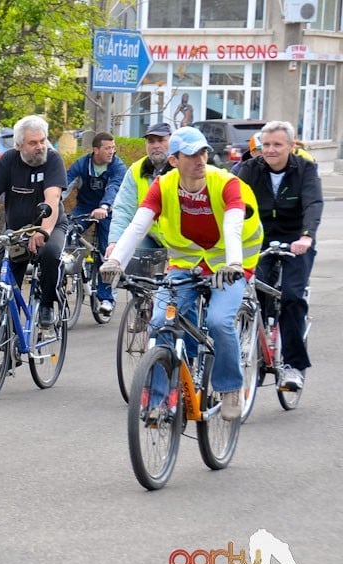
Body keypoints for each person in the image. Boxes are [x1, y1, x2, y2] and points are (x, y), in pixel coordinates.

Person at [99, 127, 263, 421]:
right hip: (186, 264)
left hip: (230, 265)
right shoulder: (163, 185)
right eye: (191, 155)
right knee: (161, 322)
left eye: (203, 152)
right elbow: (138, 225)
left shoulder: (225, 182)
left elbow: (234, 224)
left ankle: (230, 388)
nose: (200, 160)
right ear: (174, 160)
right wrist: (116, 262)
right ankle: (159, 401)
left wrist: (235, 264)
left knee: (218, 321)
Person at [237, 120, 322, 390]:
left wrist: (306, 236)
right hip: (258, 238)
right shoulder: (250, 169)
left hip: (295, 240)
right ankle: (256, 351)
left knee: (292, 298)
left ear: (291, 146)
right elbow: (231, 199)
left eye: (277, 145)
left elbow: (313, 202)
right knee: (250, 292)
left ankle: (293, 365)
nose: (270, 150)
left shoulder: (305, 170)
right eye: (266, 145)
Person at [0, 115, 67, 328]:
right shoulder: (8, 161)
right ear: (19, 145)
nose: (40, 146)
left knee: (50, 254)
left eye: (42, 141)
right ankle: (5, 336)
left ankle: (47, 305)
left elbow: (53, 198)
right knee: (3, 279)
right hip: (16, 230)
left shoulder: (53, 159)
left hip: (50, 225)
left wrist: (43, 231)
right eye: (33, 143)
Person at [63, 132, 127, 317]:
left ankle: (106, 297)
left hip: (108, 209)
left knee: (107, 251)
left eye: (113, 148)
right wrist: (53, 202)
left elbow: (115, 187)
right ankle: (64, 278)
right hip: (84, 207)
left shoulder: (117, 166)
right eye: (108, 148)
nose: (112, 152)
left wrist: (105, 206)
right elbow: (65, 186)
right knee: (67, 233)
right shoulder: (82, 165)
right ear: (96, 150)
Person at [107, 121, 173, 257]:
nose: (155, 146)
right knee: (129, 256)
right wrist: (115, 243)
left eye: (161, 140)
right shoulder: (136, 170)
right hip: (150, 237)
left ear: (172, 141)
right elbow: (123, 209)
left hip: (180, 240)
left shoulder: (182, 167)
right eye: (150, 141)